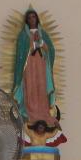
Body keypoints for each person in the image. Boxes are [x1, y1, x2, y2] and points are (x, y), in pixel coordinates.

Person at [12, 9, 60, 143]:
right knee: (31, 87)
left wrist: (42, 44)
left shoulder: (43, 33)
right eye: (30, 17)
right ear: (27, 20)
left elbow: (50, 50)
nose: (32, 19)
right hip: (29, 67)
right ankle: (30, 112)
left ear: (37, 19)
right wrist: (32, 45)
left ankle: (43, 112)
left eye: (34, 17)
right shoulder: (23, 36)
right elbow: (20, 56)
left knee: (41, 88)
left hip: (41, 66)